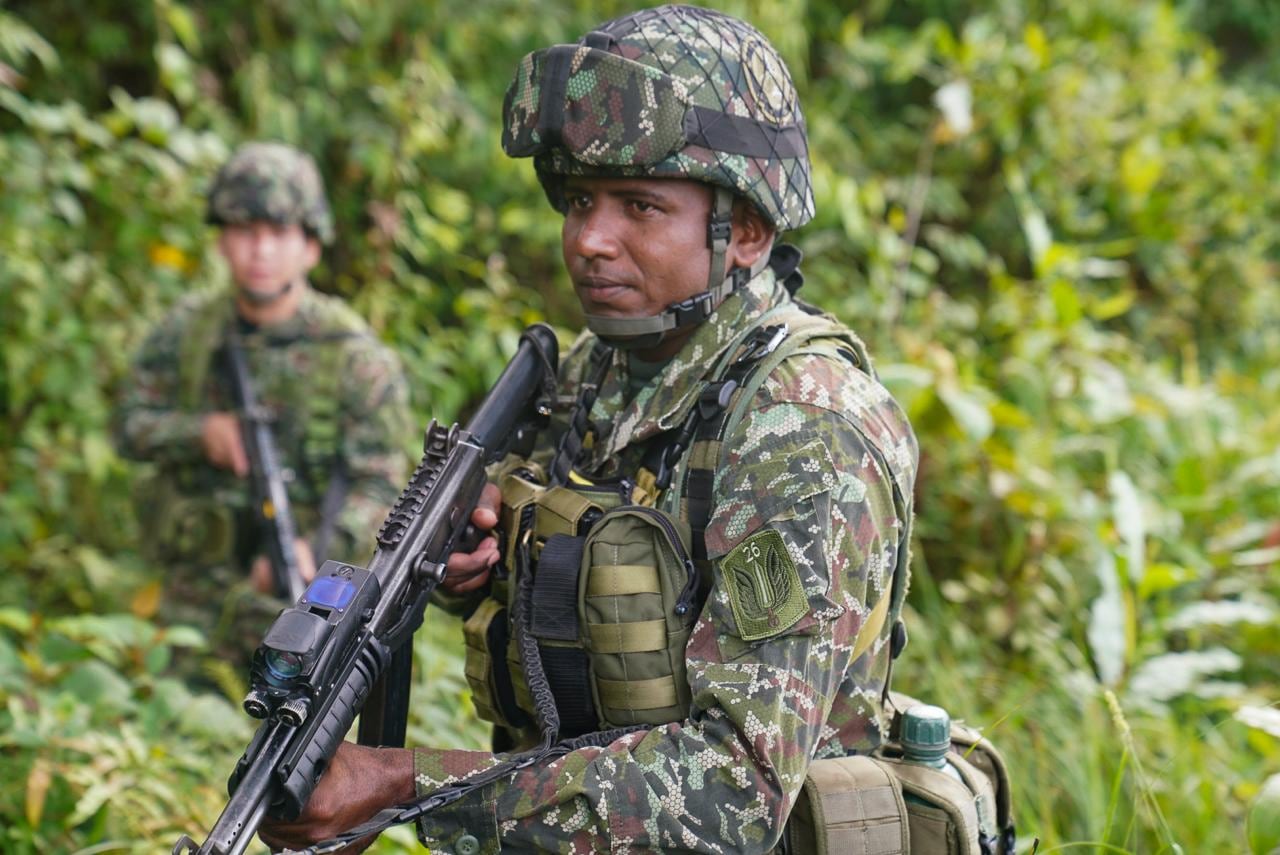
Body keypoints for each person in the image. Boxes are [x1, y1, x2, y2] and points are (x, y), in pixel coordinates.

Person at [260, 6, 917, 853]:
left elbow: (732, 794)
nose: (590, 241)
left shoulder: (807, 427)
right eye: (579, 200)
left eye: (640, 205)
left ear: (745, 230)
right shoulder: (592, 375)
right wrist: (481, 568)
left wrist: (402, 786)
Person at [116, 141, 412, 677]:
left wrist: (321, 552)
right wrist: (199, 432)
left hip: (304, 602)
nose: (261, 250)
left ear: (311, 247)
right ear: (222, 241)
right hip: (193, 604)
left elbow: (388, 485)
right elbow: (127, 426)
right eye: (245, 231)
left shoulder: (352, 356)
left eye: (278, 233)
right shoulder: (186, 334)